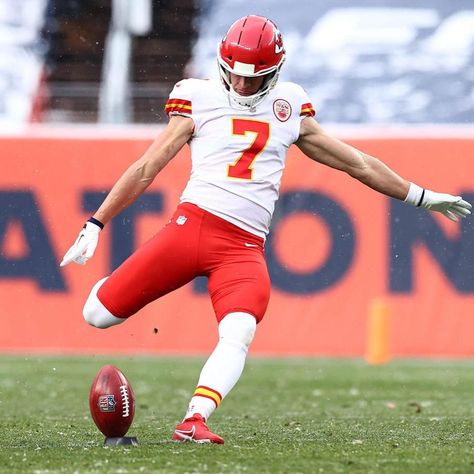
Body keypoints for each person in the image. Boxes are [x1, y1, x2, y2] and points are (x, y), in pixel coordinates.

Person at [60, 15, 471, 444]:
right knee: (97, 315)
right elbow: (147, 167)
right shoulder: (197, 97)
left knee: (240, 330)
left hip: (242, 248)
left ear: (274, 73)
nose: (240, 86)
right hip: (191, 229)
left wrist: (421, 196)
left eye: (251, 79)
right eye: (234, 75)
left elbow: (357, 163)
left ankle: (195, 418)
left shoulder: (289, 106)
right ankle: (123, 286)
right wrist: (96, 222)